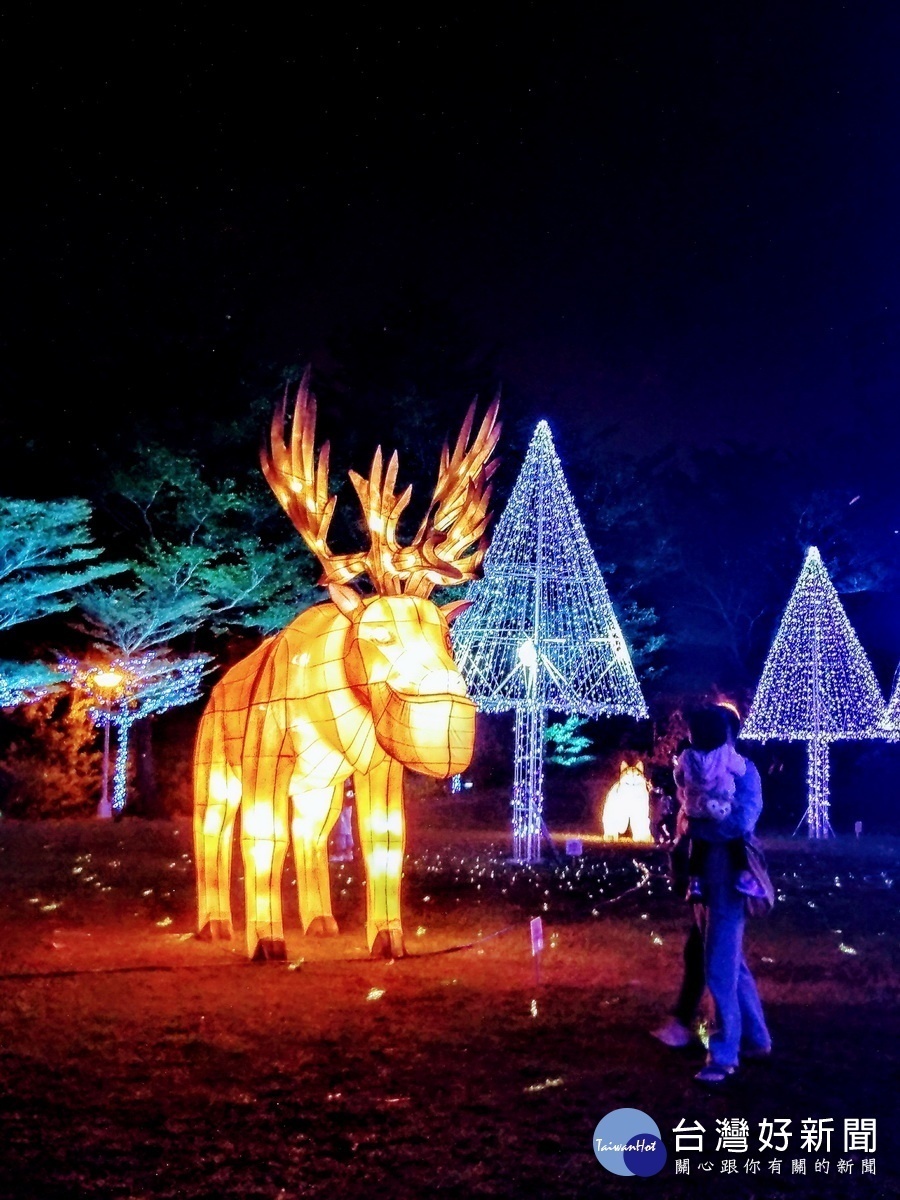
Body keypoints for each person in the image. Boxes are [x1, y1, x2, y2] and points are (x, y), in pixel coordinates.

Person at [652, 705, 771, 1085]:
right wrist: (694, 824)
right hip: (702, 879)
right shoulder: (694, 766)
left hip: (730, 880)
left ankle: (723, 1054)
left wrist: (699, 827)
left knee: (718, 966)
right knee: (728, 962)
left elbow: (741, 821)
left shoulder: (745, 771)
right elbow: (686, 811)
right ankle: (756, 1038)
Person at [674, 707, 765, 903]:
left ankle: (695, 883)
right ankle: (739, 877)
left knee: (720, 924)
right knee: (706, 925)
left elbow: (745, 817)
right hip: (716, 853)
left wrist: (697, 827)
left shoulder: (688, 757)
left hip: (723, 868)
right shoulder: (730, 760)